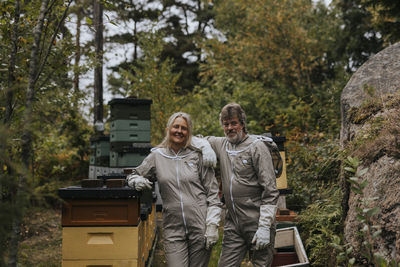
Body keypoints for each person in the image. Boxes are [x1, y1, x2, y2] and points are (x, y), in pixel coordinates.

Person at [126, 112, 222, 267]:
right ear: (168, 129)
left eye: (184, 128)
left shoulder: (198, 156)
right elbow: (134, 174)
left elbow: (213, 194)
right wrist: (136, 180)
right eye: (176, 126)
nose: (179, 131)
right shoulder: (157, 156)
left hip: (201, 227)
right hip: (173, 229)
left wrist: (212, 225)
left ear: (189, 132)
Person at [198, 103, 279, 267]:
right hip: (233, 223)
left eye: (233, 123)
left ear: (242, 123)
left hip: (257, 222)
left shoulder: (257, 147)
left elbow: (270, 191)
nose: (229, 128)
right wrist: (205, 147)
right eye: (226, 124)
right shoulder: (222, 144)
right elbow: (195, 140)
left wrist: (264, 226)